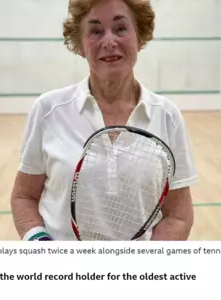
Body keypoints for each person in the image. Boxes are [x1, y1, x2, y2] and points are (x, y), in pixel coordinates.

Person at [11, 0, 197, 241]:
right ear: (80, 45)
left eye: (121, 28)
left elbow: (178, 216)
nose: (109, 42)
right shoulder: (49, 110)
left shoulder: (167, 116)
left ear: (140, 38)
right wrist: (40, 244)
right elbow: (24, 197)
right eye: (96, 31)